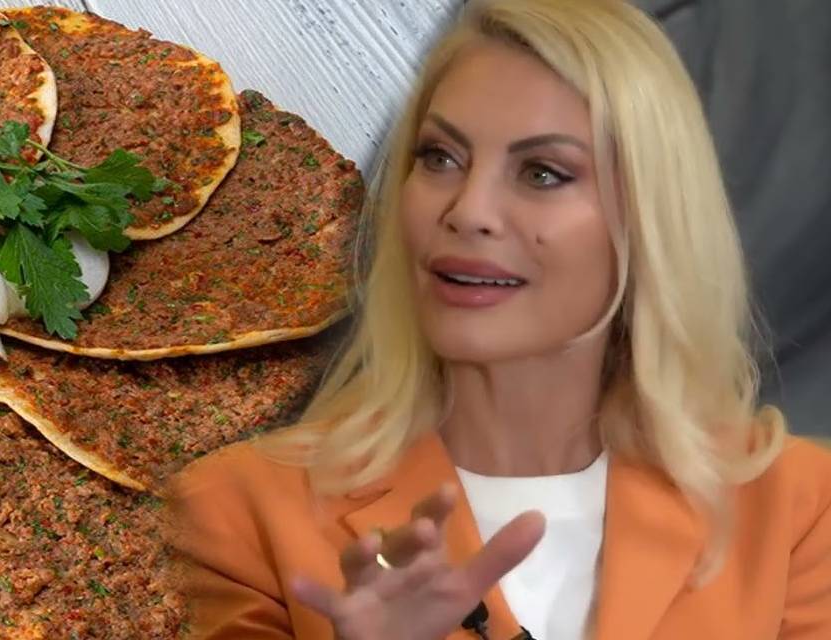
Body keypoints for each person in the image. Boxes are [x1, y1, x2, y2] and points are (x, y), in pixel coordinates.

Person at [169, 0, 831, 638]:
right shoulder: (232, 511)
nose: (468, 211)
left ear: (649, 219)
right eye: (440, 158)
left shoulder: (799, 508)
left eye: (542, 173)